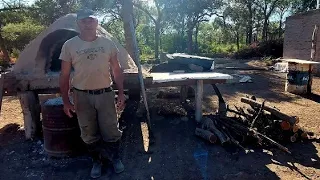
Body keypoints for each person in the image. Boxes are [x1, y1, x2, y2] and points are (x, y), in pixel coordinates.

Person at [59, 9, 126, 178]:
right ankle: (97, 161)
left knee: (111, 130)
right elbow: (65, 74)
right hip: (81, 96)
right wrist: (66, 101)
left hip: (105, 93)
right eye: (83, 21)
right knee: (88, 132)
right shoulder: (69, 45)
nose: (87, 24)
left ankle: (115, 158)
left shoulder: (108, 43)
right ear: (78, 23)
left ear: (97, 23)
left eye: (91, 20)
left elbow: (116, 69)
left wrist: (121, 93)